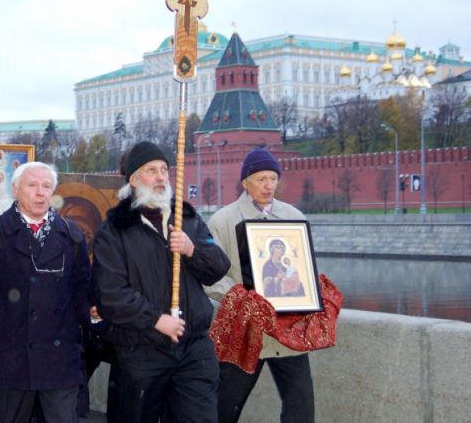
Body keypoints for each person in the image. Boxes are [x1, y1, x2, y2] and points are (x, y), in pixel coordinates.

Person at [92, 141, 230, 423]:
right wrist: (155, 319)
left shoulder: (187, 219)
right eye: (151, 170)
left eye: (164, 170)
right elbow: (111, 295)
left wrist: (192, 250)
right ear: (132, 180)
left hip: (193, 347)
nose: (160, 177)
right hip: (140, 349)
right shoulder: (114, 230)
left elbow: (218, 266)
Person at [0, 161, 92, 423]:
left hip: (58, 359)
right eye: (32, 185)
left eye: (46, 186)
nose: (40, 192)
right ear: (15, 190)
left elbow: (82, 289)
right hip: (8, 360)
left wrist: (94, 314)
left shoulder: (71, 235)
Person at [205, 147, 315, 423]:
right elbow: (211, 274)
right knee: (225, 405)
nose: (269, 186)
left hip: (286, 330)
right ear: (245, 182)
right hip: (245, 329)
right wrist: (241, 299)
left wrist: (308, 290)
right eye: (261, 179)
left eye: (273, 178)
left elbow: (304, 270)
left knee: (301, 405)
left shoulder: (295, 217)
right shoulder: (222, 220)